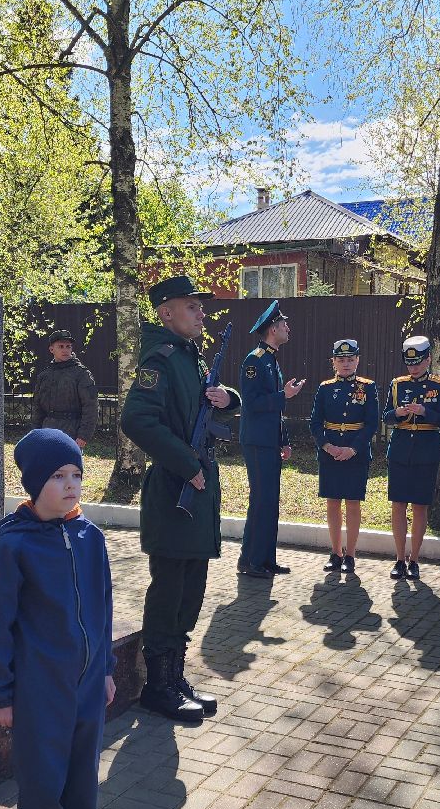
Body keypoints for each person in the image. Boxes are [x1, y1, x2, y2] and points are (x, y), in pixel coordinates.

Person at [0, 428, 117, 809]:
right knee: (43, 780)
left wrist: (105, 669)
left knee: (81, 776)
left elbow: (102, 610)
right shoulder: (14, 548)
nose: (70, 484)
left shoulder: (91, 538)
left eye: (77, 474)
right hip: (39, 691)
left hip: (85, 687)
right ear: (34, 483)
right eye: (58, 476)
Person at [121, 275, 239, 723]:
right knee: (169, 591)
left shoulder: (191, 358)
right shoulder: (162, 358)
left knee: (191, 590)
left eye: (201, 307)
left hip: (197, 491)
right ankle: (157, 686)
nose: (202, 313)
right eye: (193, 307)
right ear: (166, 312)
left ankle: (175, 677)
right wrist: (186, 465)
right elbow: (137, 419)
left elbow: (206, 410)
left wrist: (229, 399)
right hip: (176, 492)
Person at [237, 300, 305, 579]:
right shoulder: (254, 360)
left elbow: (275, 411)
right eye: (284, 324)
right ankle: (251, 561)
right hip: (256, 441)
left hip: (269, 441)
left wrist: (284, 440)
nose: (288, 328)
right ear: (273, 329)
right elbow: (251, 403)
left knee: (269, 501)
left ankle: (264, 559)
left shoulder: (270, 360)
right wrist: (284, 396)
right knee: (262, 500)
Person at [382, 335, 440, 580]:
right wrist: (397, 413)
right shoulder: (397, 384)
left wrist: (425, 411)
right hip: (401, 449)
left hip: (426, 450)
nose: (413, 368)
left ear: (428, 358)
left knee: (420, 506)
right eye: (409, 363)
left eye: (418, 363)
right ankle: (399, 559)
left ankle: (414, 560)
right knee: (398, 505)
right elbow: (386, 417)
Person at [310, 339, 379, 574]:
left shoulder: (367, 387)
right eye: (341, 360)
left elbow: (371, 424)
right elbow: (315, 422)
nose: (346, 364)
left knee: (352, 503)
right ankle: (335, 552)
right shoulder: (325, 387)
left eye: (351, 359)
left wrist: (353, 449)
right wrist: (327, 446)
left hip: (355, 453)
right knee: (332, 502)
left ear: (358, 360)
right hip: (330, 452)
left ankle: (350, 554)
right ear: (333, 362)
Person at [31, 329, 99, 449]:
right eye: (61, 346)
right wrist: (35, 433)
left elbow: (91, 406)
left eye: (68, 346)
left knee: (68, 467)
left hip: (71, 432)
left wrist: (83, 435)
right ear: (52, 349)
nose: (65, 350)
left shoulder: (82, 374)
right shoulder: (44, 376)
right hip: (47, 431)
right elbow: (38, 407)